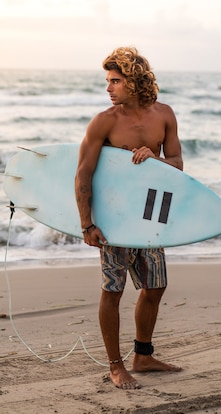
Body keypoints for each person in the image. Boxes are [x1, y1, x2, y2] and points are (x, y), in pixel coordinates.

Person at [75, 47, 184, 390]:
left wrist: (154, 159)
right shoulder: (104, 121)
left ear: (134, 82)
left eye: (115, 81)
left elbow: (178, 164)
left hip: (150, 216)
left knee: (155, 286)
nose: (109, 88)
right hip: (115, 218)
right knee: (113, 290)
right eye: (108, 81)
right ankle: (115, 365)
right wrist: (86, 224)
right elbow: (83, 175)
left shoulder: (164, 115)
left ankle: (143, 356)